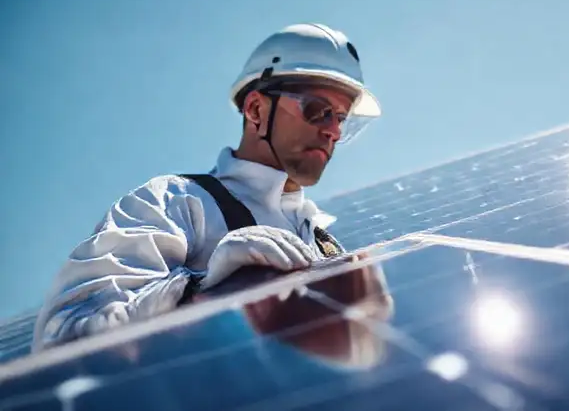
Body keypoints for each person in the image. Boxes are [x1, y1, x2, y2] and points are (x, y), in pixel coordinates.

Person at [32, 23, 387, 352]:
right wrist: (198, 289)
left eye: (341, 118)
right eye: (317, 110)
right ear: (256, 110)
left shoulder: (323, 240)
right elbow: (64, 338)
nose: (334, 132)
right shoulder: (174, 202)